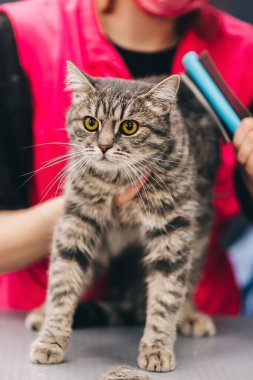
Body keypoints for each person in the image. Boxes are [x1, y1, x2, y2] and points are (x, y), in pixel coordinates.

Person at [0, 0, 253, 314]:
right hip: (40, 319)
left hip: (196, 321)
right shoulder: (20, 34)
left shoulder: (245, 49)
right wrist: (85, 209)